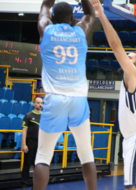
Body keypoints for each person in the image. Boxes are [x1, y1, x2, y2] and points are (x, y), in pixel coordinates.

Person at [91, 1, 136, 189]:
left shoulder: (134, 75)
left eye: (130, 57)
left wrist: (101, 16)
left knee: (132, 187)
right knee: (134, 185)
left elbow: (115, 45)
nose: (125, 58)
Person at [34, 1, 96, 190]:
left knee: (44, 155)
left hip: (55, 97)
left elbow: (45, 5)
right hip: (78, 99)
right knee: (86, 154)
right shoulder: (80, 31)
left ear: (53, 17)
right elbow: (90, 14)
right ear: (71, 18)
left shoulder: (46, 29)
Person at [21, 97, 43, 190]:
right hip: (30, 143)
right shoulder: (28, 115)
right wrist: (23, 144)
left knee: (37, 167)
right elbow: (24, 131)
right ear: (34, 104)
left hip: (40, 144)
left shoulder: (45, 116)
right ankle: (24, 185)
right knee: (27, 165)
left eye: (41, 103)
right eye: (38, 103)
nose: (40, 104)